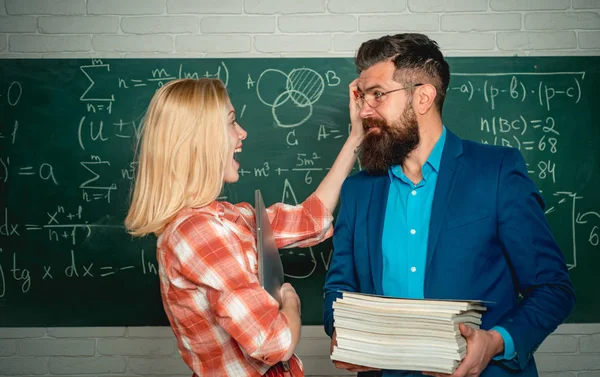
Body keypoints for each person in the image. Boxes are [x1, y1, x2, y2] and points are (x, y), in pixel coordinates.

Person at [323, 33, 575, 377]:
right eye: (361, 97)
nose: (364, 110)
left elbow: (552, 288)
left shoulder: (497, 172)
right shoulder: (358, 191)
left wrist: (496, 341)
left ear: (423, 97)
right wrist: (340, 330)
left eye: (377, 95)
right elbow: (339, 287)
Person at [125, 78, 363, 377]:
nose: (242, 133)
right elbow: (275, 342)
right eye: (231, 122)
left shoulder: (225, 218)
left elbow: (310, 219)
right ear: (201, 140)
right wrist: (291, 303)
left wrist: (356, 137)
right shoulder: (200, 234)